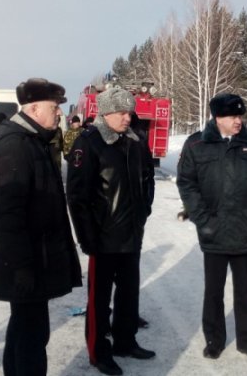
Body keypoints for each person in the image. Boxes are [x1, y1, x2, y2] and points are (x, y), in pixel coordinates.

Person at [176, 92, 247, 362]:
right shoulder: (197, 144)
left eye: (240, 116)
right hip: (214, 230)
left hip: (246, 228)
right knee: (214, 290)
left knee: (245, 290)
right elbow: (187, 183)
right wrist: (203, 219)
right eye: (232, 116)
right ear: (217, 118)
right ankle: (214, 339)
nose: (238, 121)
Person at [0, 78, 82, 376]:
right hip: (26, 263)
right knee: (31, 336)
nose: (59, 114)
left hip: (35, 260)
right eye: (54, 107)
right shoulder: (16, 146)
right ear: (34, 108)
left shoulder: (34, 141)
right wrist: (21, 268)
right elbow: (9, 216)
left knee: (24, 330)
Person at [67, 88, 155, 376]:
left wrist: (143, 212)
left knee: (129, 294)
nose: (127, 118)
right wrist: (86, 236)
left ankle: (125, 341)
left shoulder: (135, 142)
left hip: (131, 234)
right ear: (105, 112)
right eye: (121, 112)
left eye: (130, 112)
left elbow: (147, 180)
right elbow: (77, 196)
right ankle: (99, 351)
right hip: (102, 238)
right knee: (99, 300)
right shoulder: (89, 143)